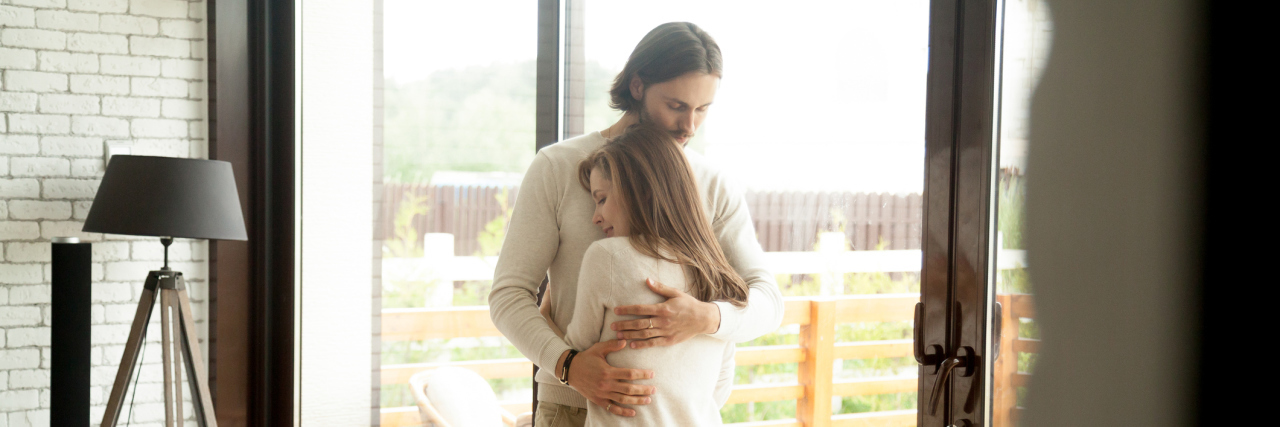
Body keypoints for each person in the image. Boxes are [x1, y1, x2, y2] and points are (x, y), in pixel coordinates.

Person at [489, 22, 784, 426]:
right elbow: (507, 295)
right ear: (638, 86)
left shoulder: (713, 185)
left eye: (702, 110)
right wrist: (568, 366)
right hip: (571, 408)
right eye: (677, 106)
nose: (689, 127)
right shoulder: (557, 167)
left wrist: (707, 317)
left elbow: (768, 301)